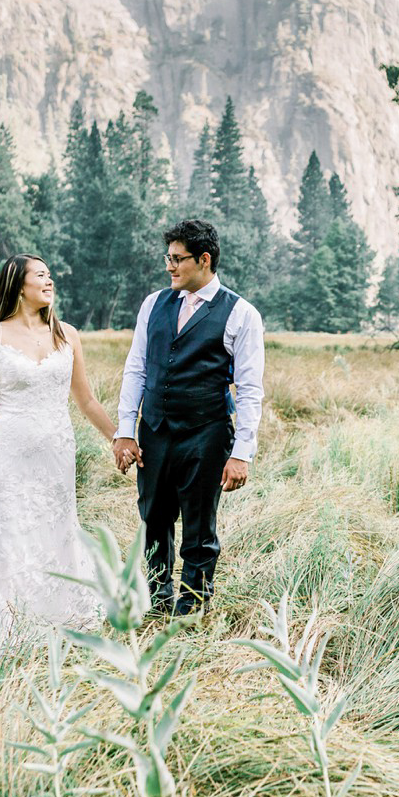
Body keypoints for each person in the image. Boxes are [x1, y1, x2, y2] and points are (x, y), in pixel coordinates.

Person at [0, 254, 121, 655]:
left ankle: (58, 611)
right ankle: (4, 616)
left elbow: (85, 400)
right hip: (8, 452)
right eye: (41, 276)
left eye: (51, 275)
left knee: (56, 526)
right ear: (18, 285)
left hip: (56, 452)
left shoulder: (67, 335)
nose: (50, 281)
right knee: (7, 530)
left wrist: (120, 439)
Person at [111, 217, 265, 615]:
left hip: (207, 433)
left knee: (199, 525)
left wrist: (242, 453)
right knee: (153, 518)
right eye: (169, 257)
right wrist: (125, 431)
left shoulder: (241, 314)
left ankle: (193, 605)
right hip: (155, 431)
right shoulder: (153, 304)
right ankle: (156, 597)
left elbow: (249, 390)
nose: (170, 266)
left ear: (204, 259)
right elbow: (136, 369)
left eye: (178, 259)